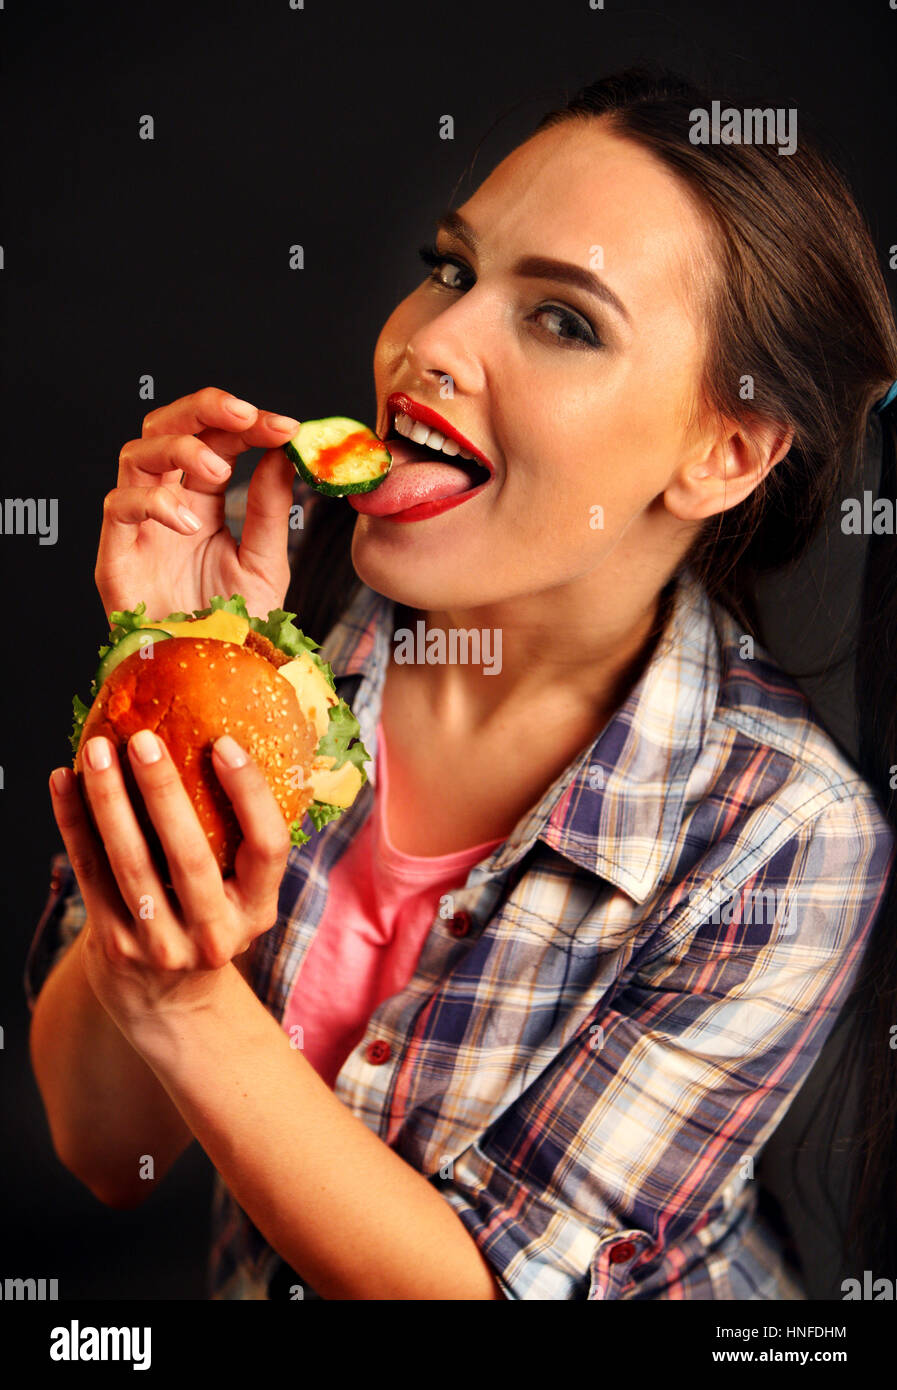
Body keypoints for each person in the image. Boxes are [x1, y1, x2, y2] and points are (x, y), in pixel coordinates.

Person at [26, 65, 897, 1300]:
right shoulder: (285, 627)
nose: (427, 342)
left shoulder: (788, 837)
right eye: (452, 268)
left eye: (565, 320)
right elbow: (107, 1153)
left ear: (726, 451)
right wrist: (174, 678)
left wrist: (188, 1002)